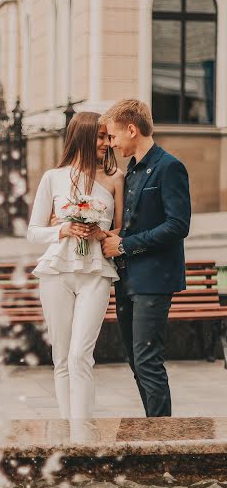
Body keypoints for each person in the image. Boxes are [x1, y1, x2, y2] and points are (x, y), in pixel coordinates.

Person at [27, 112, 124, 419]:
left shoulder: (115, 179)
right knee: (61, 357)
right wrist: (63, 229)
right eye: (101, 137)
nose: (107, 143)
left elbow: (122, 230)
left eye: (109, 137)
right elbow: (33, 232)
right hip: (56, 273)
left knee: (80, 354)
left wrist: (100, 232)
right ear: (82, 138)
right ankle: (68, 433)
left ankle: (82, 434)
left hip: (96, 272)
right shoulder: (52, 178)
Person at [100, 99, 191, 418]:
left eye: (113, 136)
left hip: (154, 280)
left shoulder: (170, 166)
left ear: (131, 129)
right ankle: (152, 432)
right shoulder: (133, 171)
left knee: (148, 361)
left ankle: (161, 444)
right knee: (136, 361)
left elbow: (178, 225)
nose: (111, 143)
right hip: (129, 279)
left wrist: (124, 245)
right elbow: (132, 224)